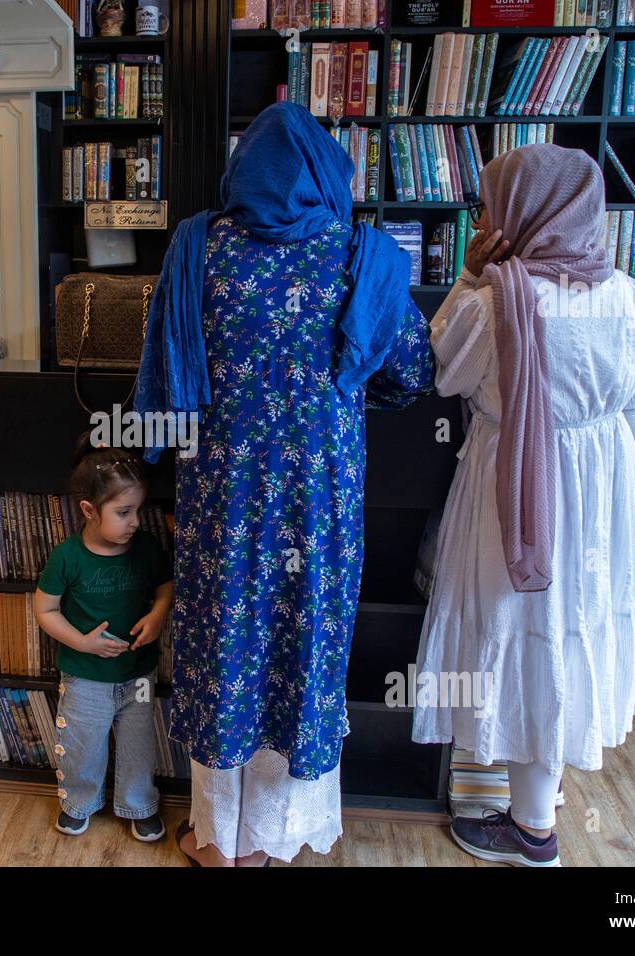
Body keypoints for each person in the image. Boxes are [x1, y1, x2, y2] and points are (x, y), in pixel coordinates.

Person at [134, 101, 435, 866]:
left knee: (223, 650)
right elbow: (408, 373)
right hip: (316, 505)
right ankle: (268, 843)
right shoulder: (364, 256)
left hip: (221, 501)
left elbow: (164, 383)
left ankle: (214, 839)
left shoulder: (197, 247)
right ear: (327, 171)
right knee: (298, 653)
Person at [411, 143, 635, 867]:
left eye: (494, 203)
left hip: (514, 488)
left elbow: (444, 369)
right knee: (569, 631)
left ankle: (530, 829)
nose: (486, 217)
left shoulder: (496, 301)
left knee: (514, 626)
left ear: (528, 212)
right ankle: (535, 813)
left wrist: (467, 274)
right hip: (601, 490)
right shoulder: (631, 296)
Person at [33, 438, 175, 842]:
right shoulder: (68, 557)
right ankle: (79, 802)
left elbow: (166, 588)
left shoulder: (145, 548)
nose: (134, 522)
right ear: (89, 511)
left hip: (139, 676)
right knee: (82, 745)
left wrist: (157, 614)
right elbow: (44, 610)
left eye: (138, 511)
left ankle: (139, 804)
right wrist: (80, 642)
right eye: (123, 512)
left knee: (139, 744)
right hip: (85, 677)